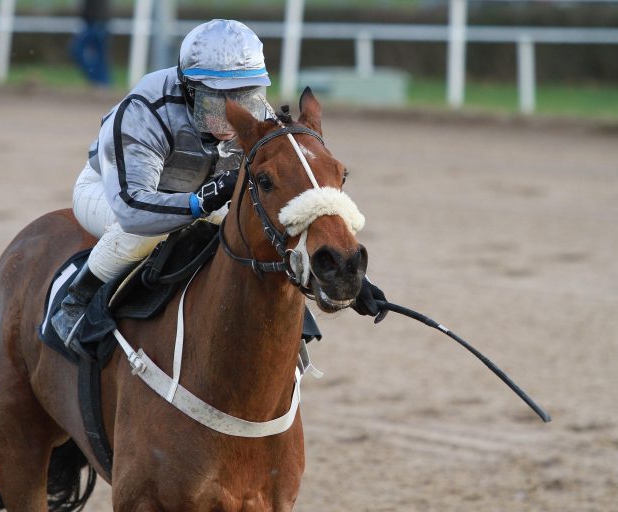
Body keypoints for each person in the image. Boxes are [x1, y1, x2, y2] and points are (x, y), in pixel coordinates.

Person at [52, 19, 388, 345]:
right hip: (113, 195)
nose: (235, 112)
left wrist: (351, 276)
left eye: (248, 94)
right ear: (189, 89)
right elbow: (133, 210)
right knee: (142, 236)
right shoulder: (143, 112)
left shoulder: (258, 117)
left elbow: (294, 205)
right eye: (219, 101)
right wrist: (200, 202)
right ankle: (76, 301)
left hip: (201, 197)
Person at [70, 0, 111, 86]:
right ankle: (101, 82)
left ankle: (98, 80)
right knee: (99, 57)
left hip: (97, 22)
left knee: (78, 50)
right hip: (93, 22)